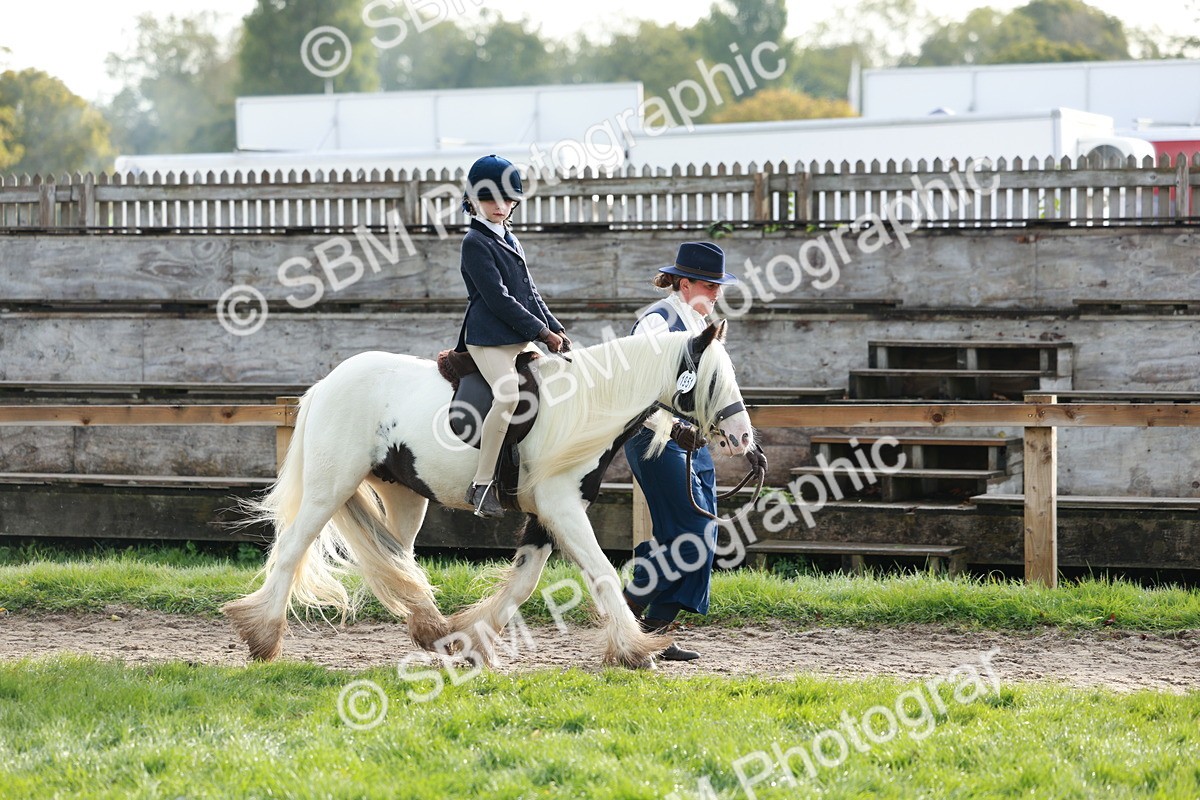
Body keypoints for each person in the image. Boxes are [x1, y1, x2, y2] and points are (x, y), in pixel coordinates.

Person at [622, 241, 738, 661]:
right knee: (695, 532)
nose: (718, 292)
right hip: (654, 438)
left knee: (690, 535)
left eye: (719, 285)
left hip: (691, 441)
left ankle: (649, 634)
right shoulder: (657, 323)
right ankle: (629, 622)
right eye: (711, 284)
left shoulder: (702, 325)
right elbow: (636, 389)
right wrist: (671, 429)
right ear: (685, 284)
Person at [456, 154, 570, 518]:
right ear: (473, 199)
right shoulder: (475, 242)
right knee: (506, 397)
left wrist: (555, 326)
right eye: (490, 199)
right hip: (489, 338)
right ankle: (482, 483)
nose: (500, 207)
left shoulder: (509, 238)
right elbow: (499, 300)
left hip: (518, 336)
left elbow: (529, 293)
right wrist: (541, 333)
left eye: (507, 200)